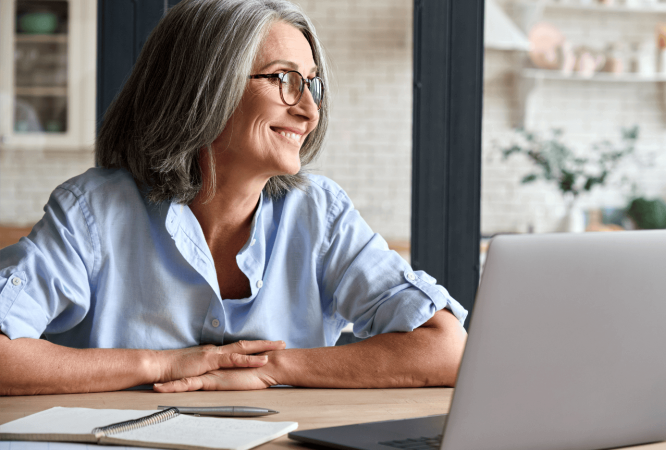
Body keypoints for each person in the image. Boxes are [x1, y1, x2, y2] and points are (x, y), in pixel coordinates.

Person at [0, 0, 467, 396]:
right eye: (285, 79)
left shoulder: (319, 213)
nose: (308, 110)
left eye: (312, 84)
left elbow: (445, 346)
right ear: (204, 86)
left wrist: (268, 369)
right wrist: (161, 365)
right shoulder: (93, 212)